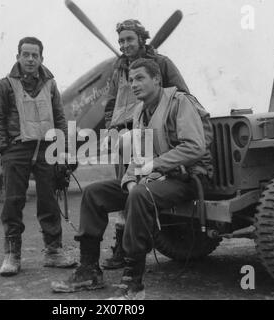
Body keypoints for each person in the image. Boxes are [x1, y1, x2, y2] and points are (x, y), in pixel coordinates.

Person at [51, 58, 213, 299]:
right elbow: (138, 153)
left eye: (140, 78)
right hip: (157, 178)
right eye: (130, 80)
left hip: (188, 179)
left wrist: (154, 165)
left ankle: (133, 282)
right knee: (95, 193)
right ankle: (89, 271)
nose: (134, 84)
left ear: (157, 79)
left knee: (140, 194)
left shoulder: (180, 103)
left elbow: (195, 147)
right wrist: (128, 178)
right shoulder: (140, 110)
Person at [102, 19, 190, 270]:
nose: (124, 45)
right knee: (124, 188)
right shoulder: (118, 69)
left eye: (129, 39)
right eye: (121, 41)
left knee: (144, 189)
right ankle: (123, 244)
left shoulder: (162, 63)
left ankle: (133, 246)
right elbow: (110, 104)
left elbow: (183, 95)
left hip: (150, 132)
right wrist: (111, 129)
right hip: (123, 136)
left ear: (142, 39)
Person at [0, 37, 77, 277]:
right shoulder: (5, 84)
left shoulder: (50, 84)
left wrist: (64, 150)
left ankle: (53, 252)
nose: (30, 59)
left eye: (34, 55)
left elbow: (60, 118)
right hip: (17, 149)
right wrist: (5, 149)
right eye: (25, 54)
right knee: (13, 202)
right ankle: (12, 255)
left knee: (49, 201)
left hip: (47, 149)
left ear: (41, 58)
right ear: (18, 56)